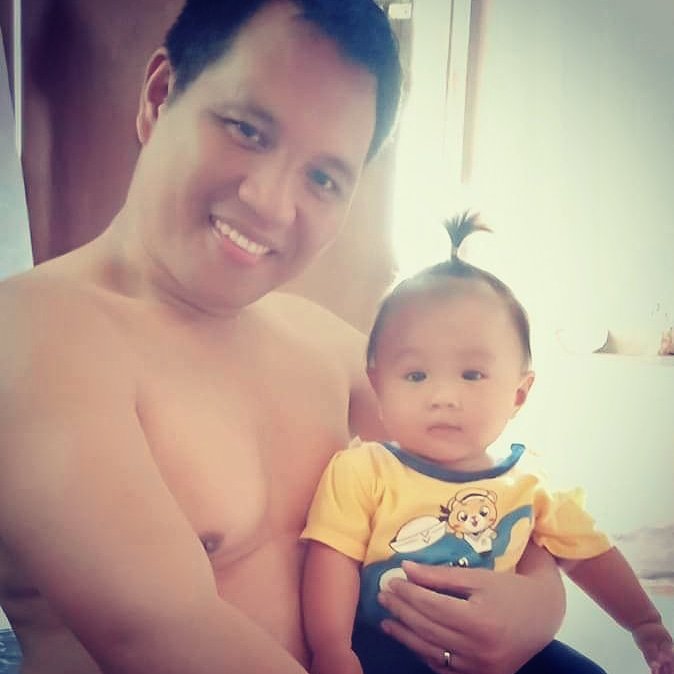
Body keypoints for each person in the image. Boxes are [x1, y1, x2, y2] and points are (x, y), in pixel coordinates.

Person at [0, 1, 572, 673]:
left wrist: (539, 603)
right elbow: (159, 635)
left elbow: (488, 481)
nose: (271, 202)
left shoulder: (322, 345)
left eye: (323, 178)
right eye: (247, 130)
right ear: (160, 96)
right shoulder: (33, 334)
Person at [301, 213, 674, 674]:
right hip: (387, 644)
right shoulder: (363, 470)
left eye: (472, 374)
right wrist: (332, 647)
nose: (443, 396)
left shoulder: (532, 486)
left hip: (503, 650)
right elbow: (332, 557)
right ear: (378, 387)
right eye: (416, 375)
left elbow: (590, 555)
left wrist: (644, 622)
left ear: (518, 394)